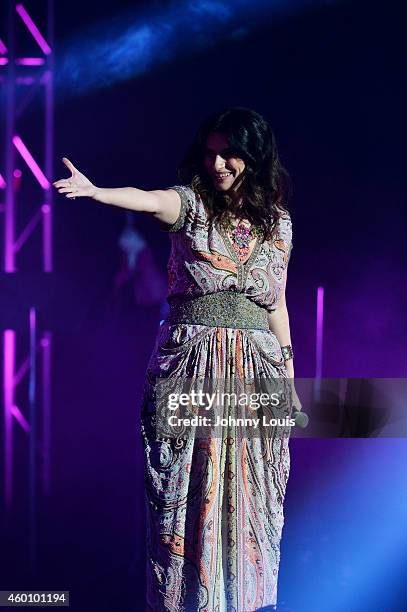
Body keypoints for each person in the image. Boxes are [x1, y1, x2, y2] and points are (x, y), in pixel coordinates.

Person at [53, 107, 299, 612]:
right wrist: (99, 192)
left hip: (257, 372)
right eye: (210, 153)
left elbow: (278, 304)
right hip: (194, 364)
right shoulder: (190, 205)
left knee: (253, 502)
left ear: (254, 156)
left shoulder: (278, 224)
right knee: (185, 498)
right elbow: (150, 200)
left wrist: (289, 380)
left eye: (230, 153)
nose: (219, 164)